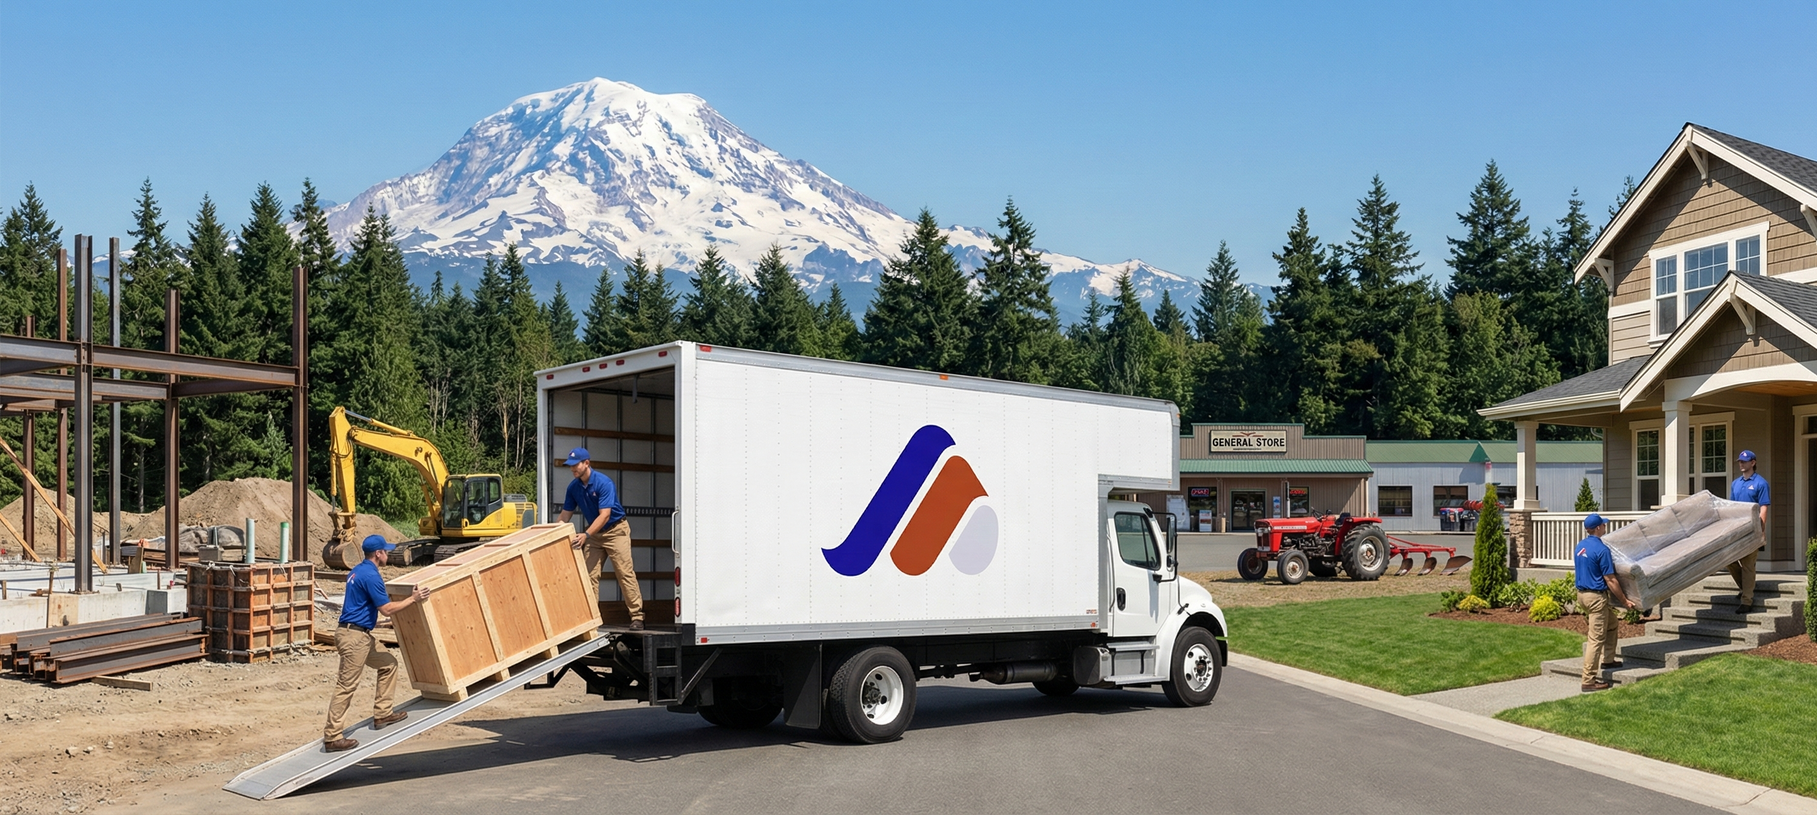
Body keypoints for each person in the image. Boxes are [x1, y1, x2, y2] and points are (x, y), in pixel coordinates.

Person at [324, 535, 429, 752]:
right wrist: (413, 599)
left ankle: (382, 714)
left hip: (357, 634)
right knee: (346, 686)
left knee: (388, 663)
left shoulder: (357, 570)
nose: (388, 554)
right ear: (378, 554)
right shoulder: (371, 576)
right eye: (386, 551)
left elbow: (362, 606)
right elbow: (386, 609)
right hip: (354, 638)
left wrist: (374, 621)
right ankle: (333, 736)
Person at [557, 447, 642, 629]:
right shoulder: (573, 487)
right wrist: (554, 534)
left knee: (624, 573)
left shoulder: (604, 483)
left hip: (615, 530)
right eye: (570, 466)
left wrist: (586, 535)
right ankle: (591, 620)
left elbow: (604, 515)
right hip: (595, 535)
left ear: (586, 463)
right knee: (589, 576)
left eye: (575, 465)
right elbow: (565, 516)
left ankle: (637, 616)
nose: (572, 469)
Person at [1574, 513, 1637, 692]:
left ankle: (1608, 660)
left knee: (1612, 623)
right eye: (1603, 525)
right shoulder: (1602, 550)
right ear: (1598, 528)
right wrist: (1625, 601)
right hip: (1596, 598)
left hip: (1582, 595)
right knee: (1595, 639)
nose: (1605, 526)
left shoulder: (1580, 546)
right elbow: (1610, 580)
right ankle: (1588, 681)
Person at [1728, 449, 1770, 615]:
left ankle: (1746, 601)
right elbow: (1732, 507)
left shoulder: (1761, 483)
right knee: (1729, 561)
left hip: (1752, 530)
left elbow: (1764, 507)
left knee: (1747, 565)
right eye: (1740, 461)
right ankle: (1746, 588)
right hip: (1738, 530)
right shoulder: (1736, 483)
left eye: (1744, 461)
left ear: (1753, 463)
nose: (1741, 464)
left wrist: (1761, 529)